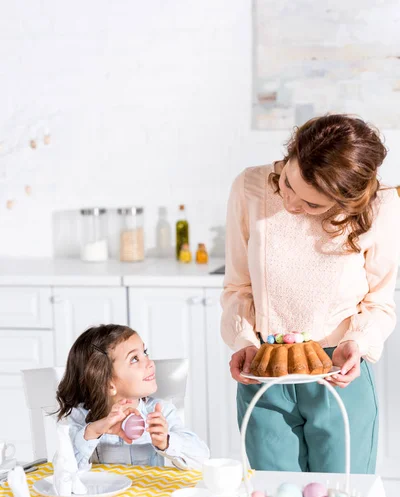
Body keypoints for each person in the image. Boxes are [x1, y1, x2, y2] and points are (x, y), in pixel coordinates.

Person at [221, 114, 400, 473]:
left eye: (312, 205)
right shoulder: (250, 187)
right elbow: (238, 286)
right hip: (266, 370)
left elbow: (379, 302)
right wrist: (243, 340)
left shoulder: (380, 205)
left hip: (337, 371)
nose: (289, 203)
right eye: (287, 182)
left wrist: (359, 344)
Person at [56, 324, 210, 470]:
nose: (149, 362)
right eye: (134, 359)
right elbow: (63, 470)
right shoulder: (79, 417)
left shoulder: (160, 413)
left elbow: (202, 458)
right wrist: (92, 431)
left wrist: (167, 441)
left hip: (145, 496)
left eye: (145, 353)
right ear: (109, 384)